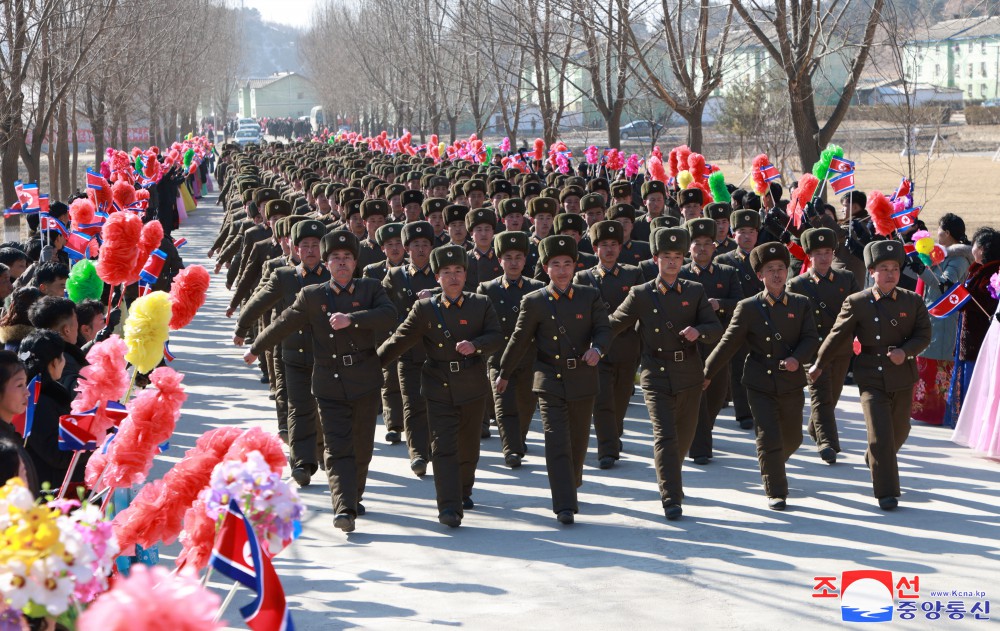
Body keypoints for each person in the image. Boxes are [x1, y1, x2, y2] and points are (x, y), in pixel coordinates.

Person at [246, 231, 397, 533]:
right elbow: (283, 322)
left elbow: (389, 316)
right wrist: (255, 348)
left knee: (362, 447)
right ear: (327, 264)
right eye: (335, 259)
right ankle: (344, 508)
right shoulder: (313, 295)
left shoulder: (370, 289)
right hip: (328, 382)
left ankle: (353, 495)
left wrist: (352, 319)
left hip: (364, 382)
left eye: (347, 258)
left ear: (355, 263)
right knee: (337, 447)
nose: (341, 264)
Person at [378, 245, 504, 528]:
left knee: (469, 447)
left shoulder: (480, 304)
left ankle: (463, 490)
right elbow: (400, 339)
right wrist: (373, 365)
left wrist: (476, 346)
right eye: (446, 272)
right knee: (444, 447)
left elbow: (497, 336)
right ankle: (448, 507)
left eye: (458, 271)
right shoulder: (424, 308)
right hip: (438, 385)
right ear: (437, 277)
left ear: (465, 273)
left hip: (472, 385)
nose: (453, 277)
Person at [496, 235, 611, 524]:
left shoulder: (589, 295)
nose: (562, 270)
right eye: (555, 265)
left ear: (575, 266)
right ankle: (564, 504)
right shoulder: (534, 301)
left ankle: (570, 483)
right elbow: (519, 340)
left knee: (578, 441)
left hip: (583, 377)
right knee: (556, 440)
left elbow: (603, 330)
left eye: (567, 264)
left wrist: (597, 349)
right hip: (549, 379)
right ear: (546, 268)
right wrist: (504, 373)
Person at [609, 227, 722, 520]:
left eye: (677, 257)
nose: (672, 262)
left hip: (688, 373)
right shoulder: (641, 294)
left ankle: (672, 476)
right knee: (666, 437)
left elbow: (714, 329)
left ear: (684, 259)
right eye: (666, 256)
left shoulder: (695, 290)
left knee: (682, 439)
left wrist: (699, 331)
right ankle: (670, 495)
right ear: (655, 258)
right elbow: (614, 324)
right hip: (655, 374)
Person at [811, 241, 931, 510]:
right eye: (884, 268)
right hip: (870, 375)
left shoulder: (913, 300)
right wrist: (819, 363)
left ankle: (875, 458)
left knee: (900, 430)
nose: (890, 273)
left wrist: (906, 351)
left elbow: (924, 335)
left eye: (895, 268)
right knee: (880, 434)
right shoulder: (857, 302)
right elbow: (836, 336)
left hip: (902, 375)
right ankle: (886, 492)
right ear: (871, 271)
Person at [704, 243, 819, 511]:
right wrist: (707, 373)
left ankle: (774, 461)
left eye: (781, 269)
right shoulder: (748, 308)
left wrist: (796, 359)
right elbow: (728, 344)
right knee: (768, 436)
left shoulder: (801, 304)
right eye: (770, 270)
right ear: (760, 275)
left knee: (793, 438)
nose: (777, 274)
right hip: (759, 381)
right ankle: (776, 489)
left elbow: (811, 338)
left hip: (791, 382)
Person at [236, 220, 330, 474]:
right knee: (298, 408)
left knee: (323, 410)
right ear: (296, 250)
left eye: (315, 246)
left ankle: (322, 452)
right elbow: (259, 302)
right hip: (294, 352)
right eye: (304, 246)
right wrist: (243, 328)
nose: (310, 251)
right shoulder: (285, 276)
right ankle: (302, 462)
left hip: (327, 354)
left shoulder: (336, 276)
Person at [786, 227, 860, 463]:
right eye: (818, 253)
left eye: (828, 252)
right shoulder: (797, 284)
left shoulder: (846, 279)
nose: (824, 258)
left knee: (833, 395)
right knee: (821, 395)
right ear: (809, 255)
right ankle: (827, 442)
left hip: (841, 349)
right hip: (813, 350)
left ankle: (815, 426)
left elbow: (859, 313)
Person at [574, 220, 642, 470]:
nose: (610, 249)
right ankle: (607, 449)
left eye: (614, 244)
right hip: (597, 351)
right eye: (604, 245)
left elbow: (639, 310)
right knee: (602, 401)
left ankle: (614, 434)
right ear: (595, 249)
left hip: (627, 348)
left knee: (621, 399)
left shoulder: (632, 274)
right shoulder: (583, 277)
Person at [477, 232, 544, 468]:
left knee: (525, 405)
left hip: (529, 359)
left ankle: (519, 439)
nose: (514, 262)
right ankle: (511, 449)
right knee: (503, 405)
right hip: (498, 358)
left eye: (518, 257)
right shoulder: (487, 289)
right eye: (508, 257)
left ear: (525, 260)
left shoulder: (538, 289)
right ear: (499, 260)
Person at [680, 218, 743, 465]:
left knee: (716, 395)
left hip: (719, 343)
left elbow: (740, 303)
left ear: (715, 247)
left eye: (708, 243)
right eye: (697, 243)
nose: (702, 248)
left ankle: (703, 429)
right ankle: (700, 447)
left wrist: (720, 304)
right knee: (697, 395)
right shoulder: (681, 273)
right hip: (690, 344)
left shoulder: (727, 273)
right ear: (689, 247)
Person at [382, 221, 439, 475]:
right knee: (413, 403)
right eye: (415, 245)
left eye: (425, 244)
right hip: (408, 351)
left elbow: (461, 292)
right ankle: (418, 454)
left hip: (438, 350)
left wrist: (435, 293)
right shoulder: (395, 276)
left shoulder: (441, 273)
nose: (420, 249)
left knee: (437, 403)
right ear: (407, 249)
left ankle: (435, 449)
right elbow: (382, 305)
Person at [910, 213, 973, 425]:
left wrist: (920, 270)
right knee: (927, 366)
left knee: (939, 370)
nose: (937, 234)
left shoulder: (959, 259)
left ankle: (938, 414)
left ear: (946, 233)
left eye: (939, 230)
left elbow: (944, 284)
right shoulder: (944, 256)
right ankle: (924, 412)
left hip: (946, 321)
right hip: (934, 318)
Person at [715, 210, 765, 431]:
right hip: (734, 322)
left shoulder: (766, 258)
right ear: (734, 234)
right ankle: (744, 412)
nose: (747, 236)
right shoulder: (723, 260)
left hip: (763, 322)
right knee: (738, 369)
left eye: (752, 231)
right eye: (742, 232)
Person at [945, 228, 1000, 425]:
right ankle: (960, 417)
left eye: (975, 245)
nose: (972, 249)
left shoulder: (994, 272)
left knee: (975, 376)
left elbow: (986, 301)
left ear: (983, 248)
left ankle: (972, 421)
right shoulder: (978, 268)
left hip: (980, 334)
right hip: (967, 332)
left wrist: (963, 298)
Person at [20, 330, 82, 491]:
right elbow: (57, 455)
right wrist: (88, 442)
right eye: (62, 358)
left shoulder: (42, 391)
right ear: (54, 362)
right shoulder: (39, 400)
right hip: (51, 489)